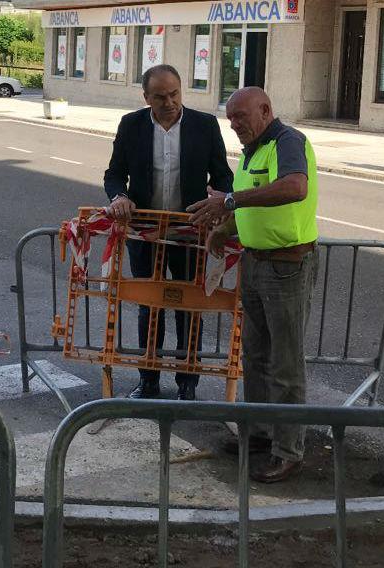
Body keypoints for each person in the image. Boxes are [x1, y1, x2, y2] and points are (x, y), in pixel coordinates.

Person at [188, 87, 318, 484]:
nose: (235, 125)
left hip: (286, 267)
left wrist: (229, 202)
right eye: (231, 119)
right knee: (256, 357)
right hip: (256, 264)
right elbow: (250, 207)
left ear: (265, 110)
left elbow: (295, 187)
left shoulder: (287, 142)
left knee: (285, 363)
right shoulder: (252, 152)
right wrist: (224, 230)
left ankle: (289, 451)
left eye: (241, 117)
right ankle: (260, 434)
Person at [103, 64, 233, 401]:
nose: (169, 102)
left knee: (188, 306)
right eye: (160, 97)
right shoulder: (131, 125)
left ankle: (187, 384)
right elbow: (114, 174)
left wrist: (219, 202)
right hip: (146, 234)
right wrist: (119, 197)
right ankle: (148, 381)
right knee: (150, 307)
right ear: (146, 97)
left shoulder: (204, 125)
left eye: (174, 94)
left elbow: (223, 177)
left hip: (190, 234)